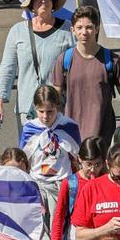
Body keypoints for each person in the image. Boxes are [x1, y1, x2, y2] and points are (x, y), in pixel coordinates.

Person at [0, 0, 75, 135]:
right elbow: (7, 69)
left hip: (57, 109)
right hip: (27, 110)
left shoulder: (68, 31)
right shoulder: (17, 31)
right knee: (29, 156)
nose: (43, 1)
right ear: (32, 4)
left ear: (53, 2)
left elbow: (78, 69)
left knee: (57, 155)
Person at [51, 6, 120, 142]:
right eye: (79, 27)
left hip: (104, 137)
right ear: (72, 30)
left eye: (89, 27)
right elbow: (54, 101)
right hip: (71, 136)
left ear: (97, 29)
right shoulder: (63, 60)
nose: (84, 32)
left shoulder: (112, 60)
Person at [20, 85, 81, 213]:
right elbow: (23, 160)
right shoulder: (30, 129)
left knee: (60, 224)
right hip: (38, 182)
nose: (45, 116)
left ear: (57, 107)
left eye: (50, 111)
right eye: (41, 111)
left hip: (63, 183)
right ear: (35, 108)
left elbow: (78, 157)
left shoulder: (68, 127)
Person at [51, 137, 107, 240]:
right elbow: (59, 219)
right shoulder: (70, 183)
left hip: (103, 238)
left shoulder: (107, 180)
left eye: (98, 164)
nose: (93, 170)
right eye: (89, 164)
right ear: (80, 160)